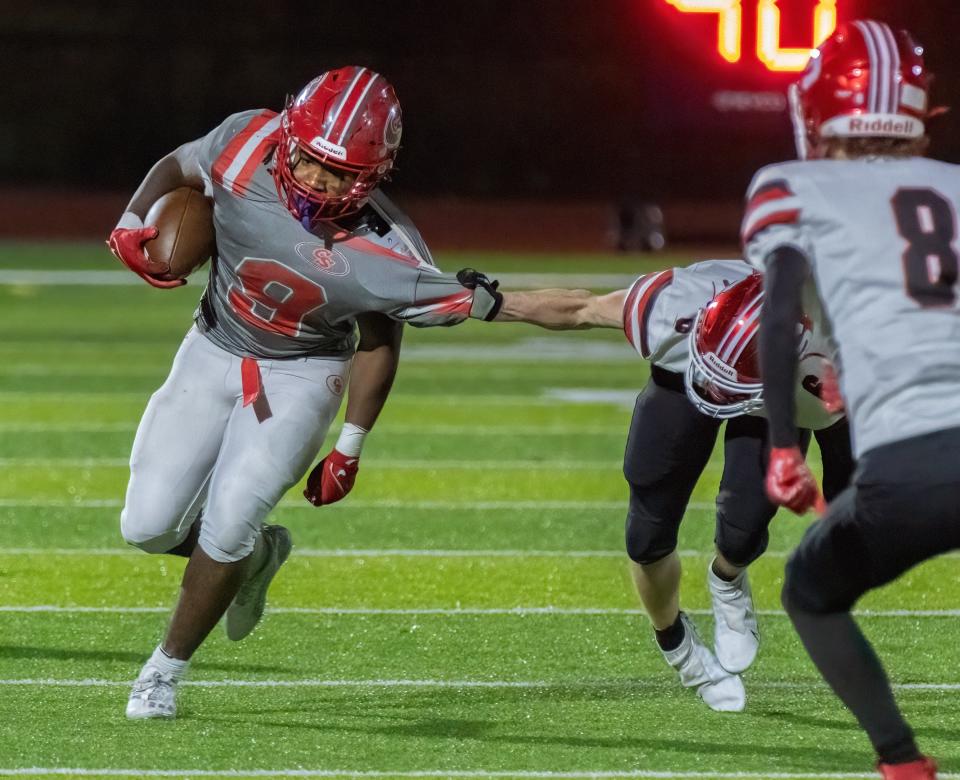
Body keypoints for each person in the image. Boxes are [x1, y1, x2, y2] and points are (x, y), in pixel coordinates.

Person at [107, 66, 502, 719]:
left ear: (376, 174)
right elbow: (178, 165)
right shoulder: (244, 142)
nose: (320, 182)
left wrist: (351, 444)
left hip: (301, 374)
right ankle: (261, 556)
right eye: (312, 162)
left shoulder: (388, 242)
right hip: (213, 346)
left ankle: (163, 671)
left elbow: (382, 335)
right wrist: (129, 220)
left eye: (341, 173)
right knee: (147, 527)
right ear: (288, 134)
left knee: (229, 520)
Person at [473, 260, 852, 711]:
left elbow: (846, 463)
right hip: (681, 377)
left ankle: (727, 580)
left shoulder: (831, 372)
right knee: (647, 533)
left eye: (724, 389)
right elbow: (582, 308)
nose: (715, 394)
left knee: (745, 528)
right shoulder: (676, 305)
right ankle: (676, 642)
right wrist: (495, 304)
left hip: (775, 401)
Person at [747, 20, 959, 779]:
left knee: (811, 592)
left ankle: (901, 760)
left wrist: (780, 447)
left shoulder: (793, 184)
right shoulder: (955, 185)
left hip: (914, 466)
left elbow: (777, 318)